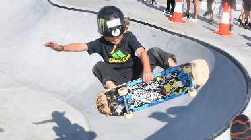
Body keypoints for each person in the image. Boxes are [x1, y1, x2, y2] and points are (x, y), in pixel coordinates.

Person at [44, 6, 177, 90]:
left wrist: (147, 70)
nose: (115, 40)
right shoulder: (100, 43)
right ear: (103, 34)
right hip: (120, 80)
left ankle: (177, 72)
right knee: (98, 66)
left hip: (139, 73)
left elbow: (141, 52)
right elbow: (80, 46)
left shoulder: (128, 37)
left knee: (153, 51)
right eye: (112, 38)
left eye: (118, 36)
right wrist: (61, 47)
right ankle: (114, 92)